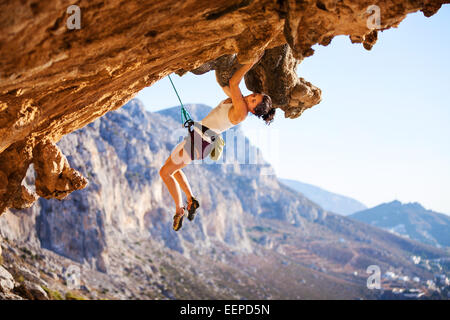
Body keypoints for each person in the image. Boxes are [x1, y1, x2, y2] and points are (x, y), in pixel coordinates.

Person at [159, 53, 276, 231]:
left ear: (252, 111)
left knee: (165, 172)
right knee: (173, 169)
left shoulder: (241, 111)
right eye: (254, 95)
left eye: (253, 100)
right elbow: (224, 84)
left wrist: (250, 62)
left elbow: (233, 83)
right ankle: (191, 200)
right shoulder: (239, 102)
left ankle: (179, 209)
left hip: (200, 141)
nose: (250, 97)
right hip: (198, 137)